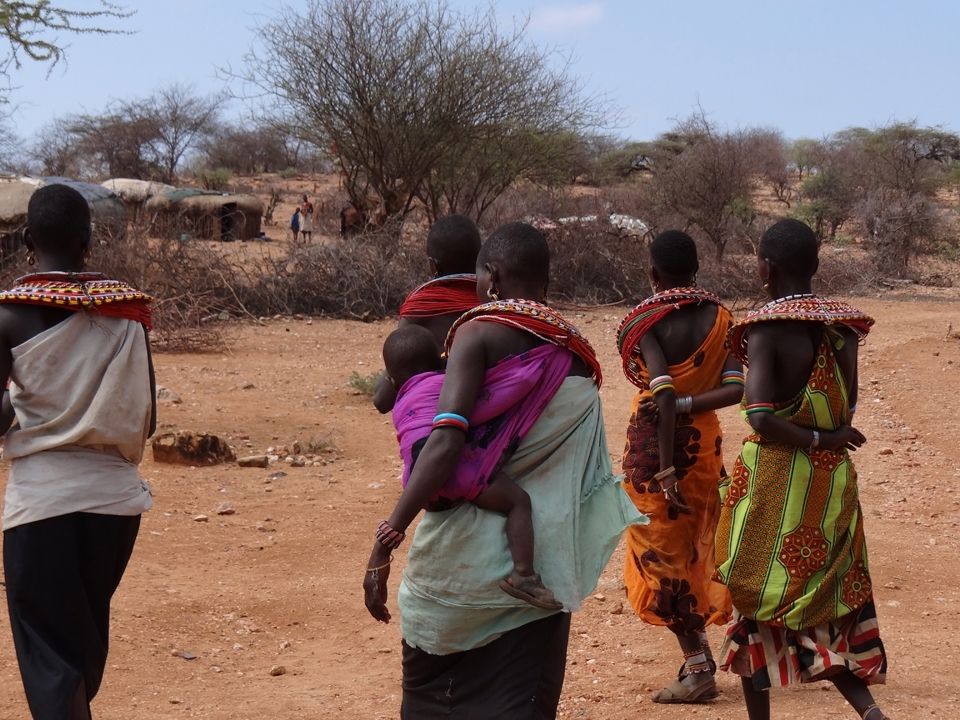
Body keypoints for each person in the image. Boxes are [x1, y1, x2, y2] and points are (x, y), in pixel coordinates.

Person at [363, 222, 645, 719]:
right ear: (546, 284)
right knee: (522, 701)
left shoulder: (474, 333)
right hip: (542, 565)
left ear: (490, 277)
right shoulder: (576, 356)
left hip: (462, 570)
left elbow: (446, 445)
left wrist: (387, 539)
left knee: (436, 701)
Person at [714, 219, 889, 720]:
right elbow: (846, 406)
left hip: (775, 484)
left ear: (765, 268)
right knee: (815, 608)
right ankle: (872, 713)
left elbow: (760, 416)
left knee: (754, 604)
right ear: (813, 266)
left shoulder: (766, 330)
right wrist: (829, 440)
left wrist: (817, 438)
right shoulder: (843, 330)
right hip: (830, 483)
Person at [0, 184, 156, 720]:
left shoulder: (8, 317)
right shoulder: (129, 313)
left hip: (42, 505)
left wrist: (22, 407)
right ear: (89, 241)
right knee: (78, 652)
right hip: (114, 505)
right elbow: (146, 418)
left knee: (51, 661)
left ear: (26, 240)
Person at [616, 230, 743, 704]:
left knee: (661, 554)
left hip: (657, 450)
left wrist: (666, 470)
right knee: (697, 542)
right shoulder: (722, 319)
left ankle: (697, 667)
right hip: (704, 445)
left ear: (654, 274)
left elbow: (662, 394)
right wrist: (690, 403)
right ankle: (706, 659)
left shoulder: (650, 322)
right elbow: (736, 390)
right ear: (696, 269)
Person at [383, 323, 562, 609]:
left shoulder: (400, 402)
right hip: (458, 472)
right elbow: (488, 399)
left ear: (393, 383)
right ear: (443, 361)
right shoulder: (446, 384)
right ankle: (524, 575)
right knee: (518, 503)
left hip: (419, 484)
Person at [372, 213, 483, 413]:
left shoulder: (421, 308)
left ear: (434, 265)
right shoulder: (497, 302)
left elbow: (382, 400)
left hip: (433, 424)